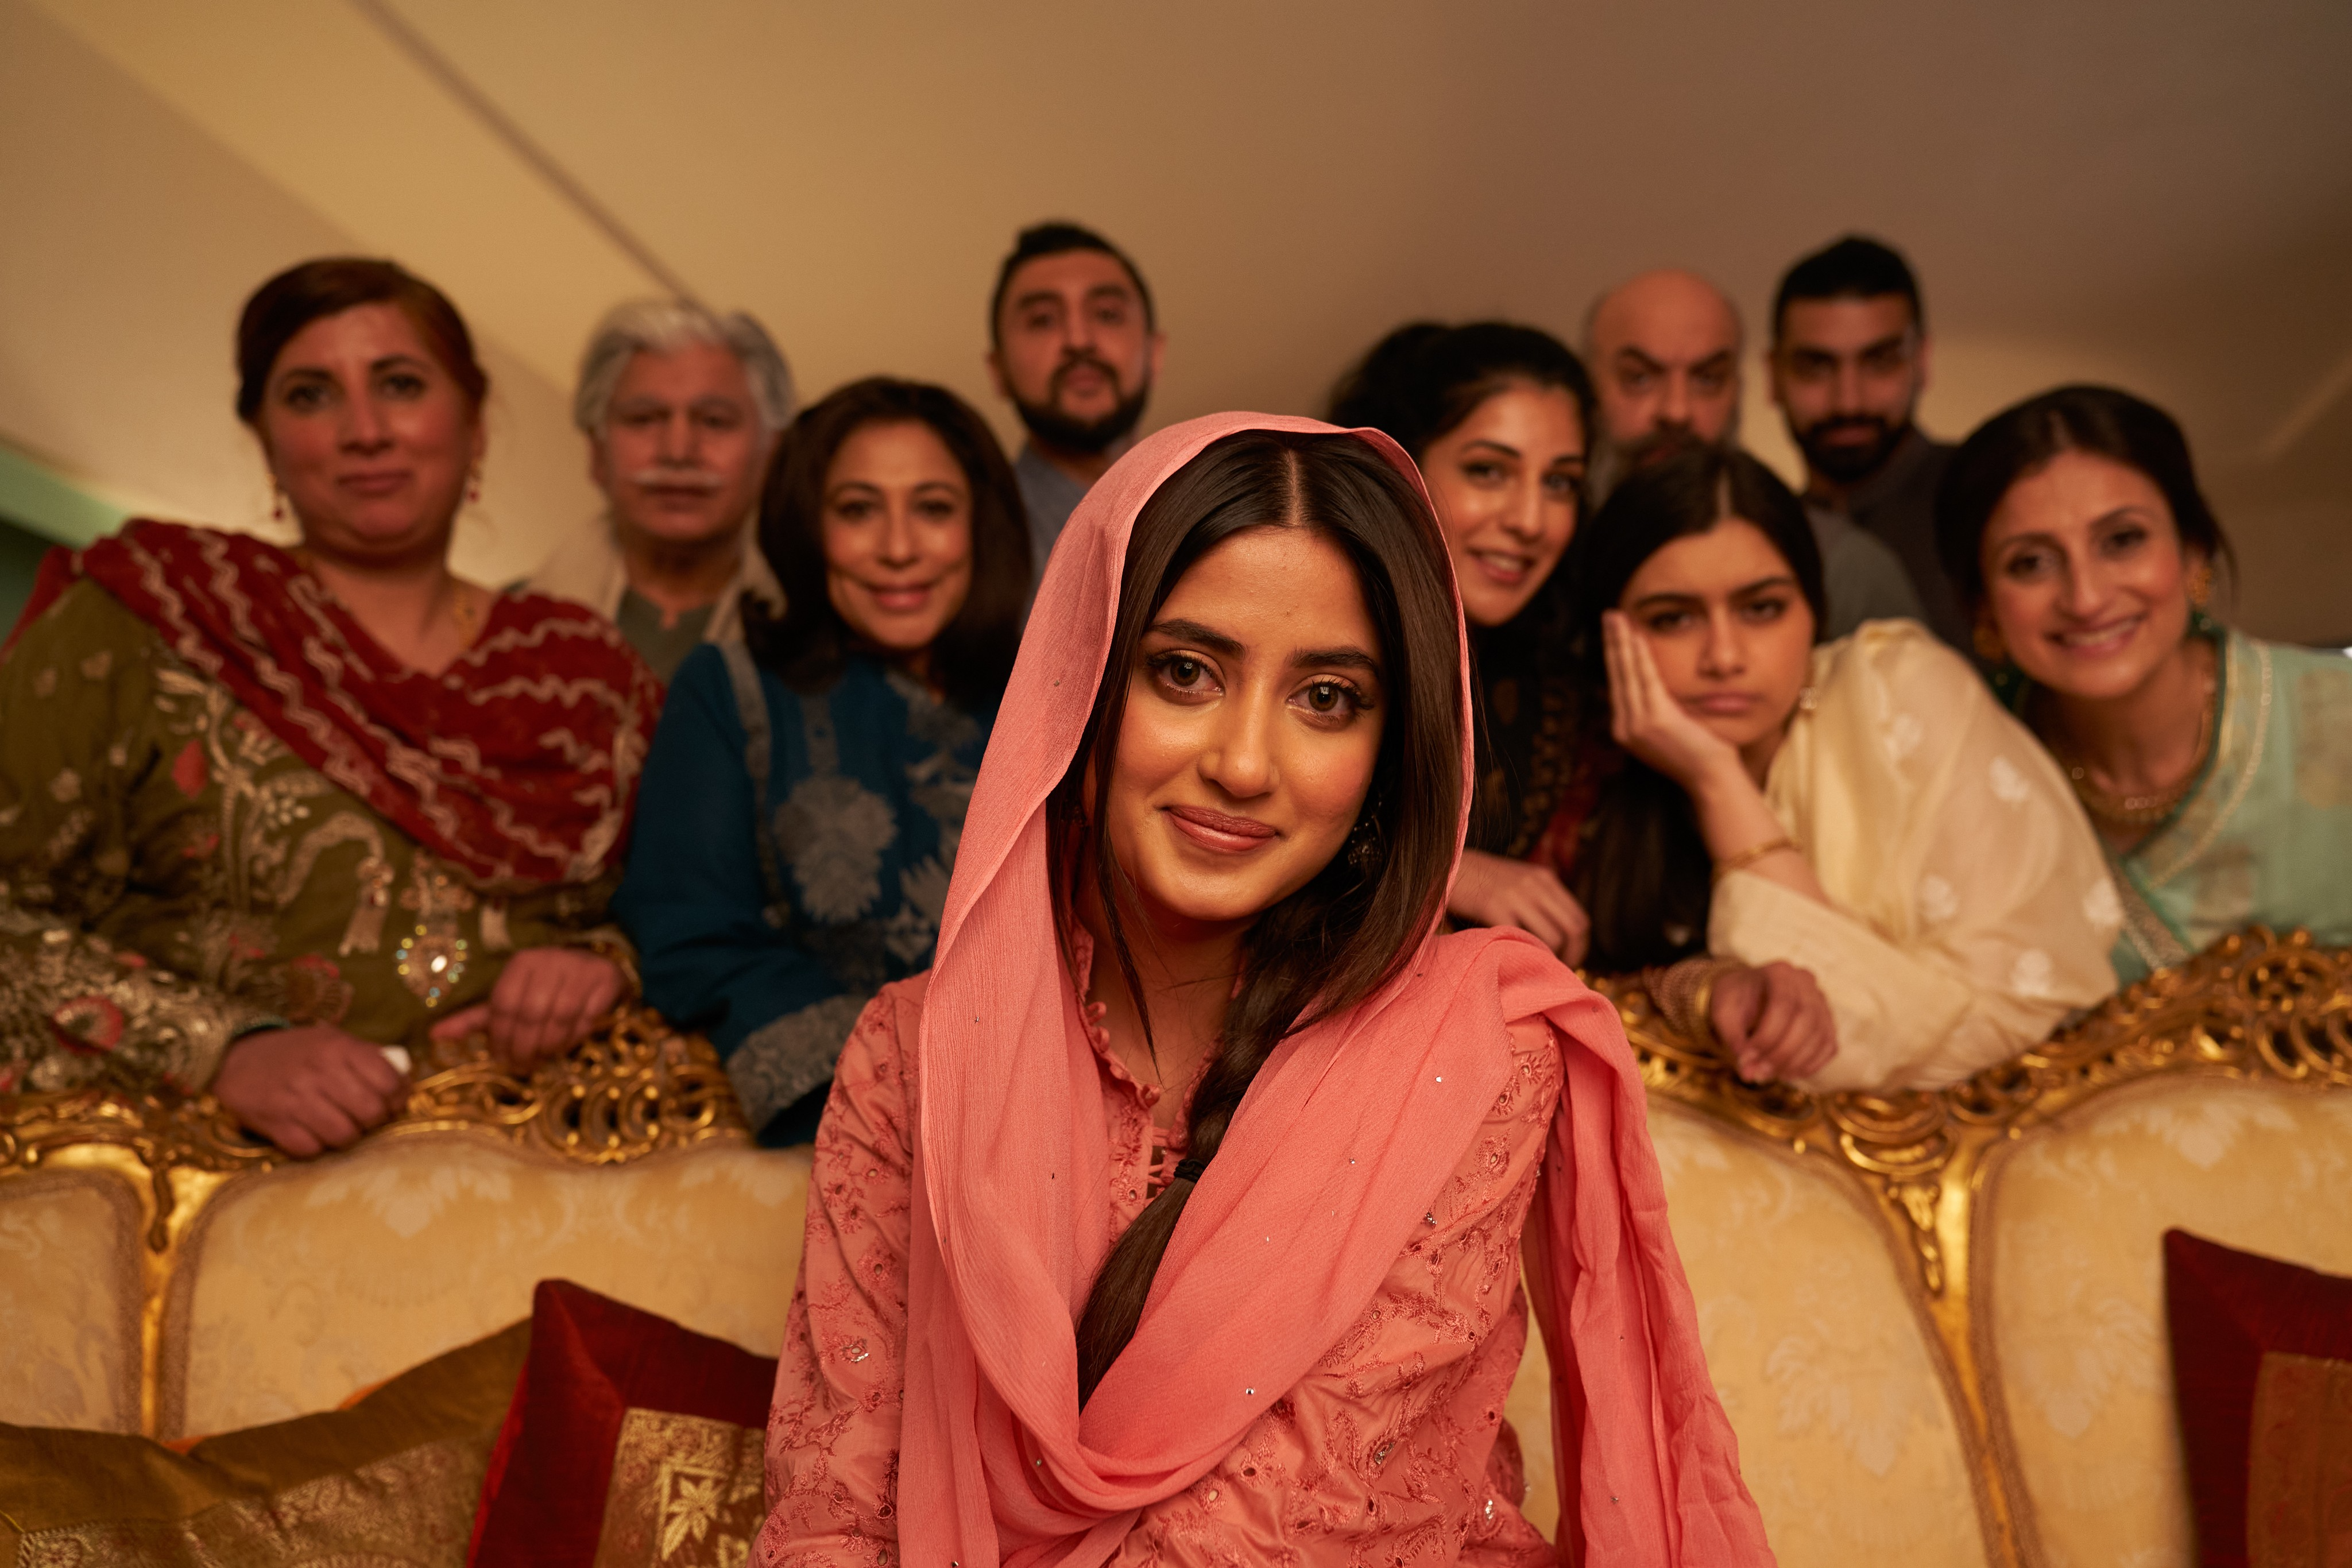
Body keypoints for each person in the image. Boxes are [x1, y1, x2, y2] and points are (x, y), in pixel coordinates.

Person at [759, 415, 1769, 1561]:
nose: (1242, 762)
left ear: (1394, 754)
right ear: (1077, 687)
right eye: (1184, 672)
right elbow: (834, 1506)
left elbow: (1288, 1531)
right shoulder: (912, 1053)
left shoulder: (1469, 1057)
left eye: (1325, 697)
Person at [0, 258, 659, 1155]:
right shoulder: (151, 619)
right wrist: (221, 1047)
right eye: (310, 395)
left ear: (474, 421)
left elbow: (698, 913)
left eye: (399, 384)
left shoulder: (585, 675)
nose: (365, 430)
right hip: (205, 1204)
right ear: (265, 439)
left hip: (547, 1189)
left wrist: (602, 967)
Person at [1329, 320, 1832, 1074]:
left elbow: (1606, 966)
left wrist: (1719, 989)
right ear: (1404, 466)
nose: (1531, 519)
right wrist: (1452, 871)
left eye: (1560, 481)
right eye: (1489, 471)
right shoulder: (1308, 634)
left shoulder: (1571, 694)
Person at [1561, 443, 2118, 1092]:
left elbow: (1994, 1025)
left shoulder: (1900, 691)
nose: (1723, 655)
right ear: (1609, 636)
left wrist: (1716, 779)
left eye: (1761, 608)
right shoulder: (1583, 781)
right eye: (1674, 618)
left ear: (1814, 614)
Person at [616, 378, 1029, 1145]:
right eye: (858, 509)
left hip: (1060, 1130)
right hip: (837, 1134)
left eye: (934, 507)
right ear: (810, 527)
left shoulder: (1060, 695)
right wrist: (910, 1074)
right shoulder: (731, 690)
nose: (899, 546)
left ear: (982, 526)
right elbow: (690, 936)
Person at [1936, 384, 2352, 982]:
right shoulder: (1972, 790)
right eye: (2030, 562)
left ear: (2191, 555)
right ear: (1982, 610)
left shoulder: (2334, 712)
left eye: (2122, 540)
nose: (2085, 598)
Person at [1585, 268, 1920, 640]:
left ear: (1739, 391)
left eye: (1708, 378)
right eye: (1640, 378)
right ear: (1589, 386)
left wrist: (1806, 698)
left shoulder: (1838, 566)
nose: (1677, 410)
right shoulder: (1540, 552)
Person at [530, 299, 795, 680]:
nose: (678, 452)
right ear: (597, 452)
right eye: (644, 419)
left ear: (771, 452)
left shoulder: (820, 639)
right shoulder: (498, 630)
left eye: (715, 421)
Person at [1769, 235, 1970, 651]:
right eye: (1815, 367)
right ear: (1773, 375)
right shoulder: (1767, 529)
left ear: (1922, 361)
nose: (1848, 400)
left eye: (1879, 362)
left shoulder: (1987, 496)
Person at [986, 220, 1164, 579]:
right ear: (998, 370)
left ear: (1154, 355)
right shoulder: (971, 541)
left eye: (1107, 314)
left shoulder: (1220, 515)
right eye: (1043, 320)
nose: (1079, 339)